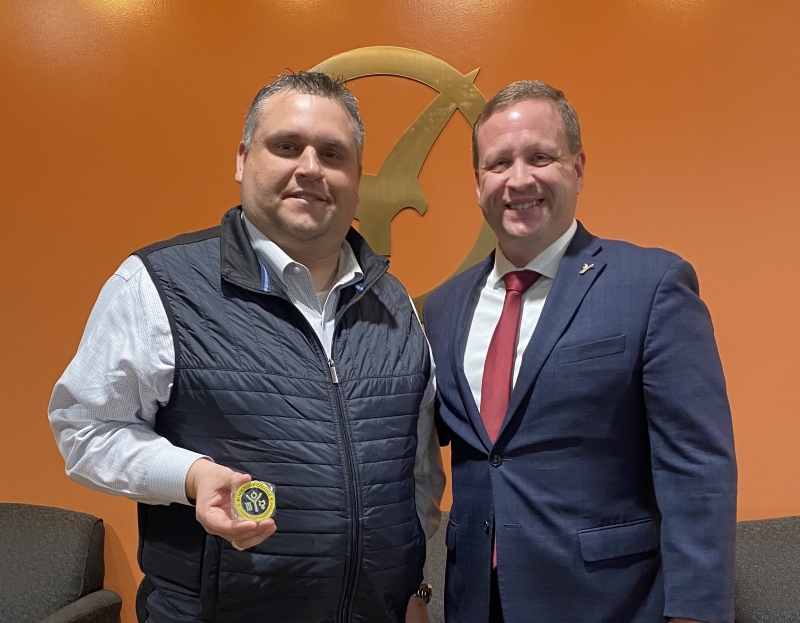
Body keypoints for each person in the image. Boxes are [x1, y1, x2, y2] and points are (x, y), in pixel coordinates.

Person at [49, 71, 445, 623]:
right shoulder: (158, 284)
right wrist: (189, 476)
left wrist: (418, 590)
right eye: (286, 146)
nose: (310, 167)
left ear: (357, 177)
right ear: (242, 159)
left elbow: (416, 475)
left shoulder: (394, 303)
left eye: (333, 154)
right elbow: (85, 429)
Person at [422, 80, 736, 623]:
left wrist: (697, 612)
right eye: (498, 164)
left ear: (578, 168)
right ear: (478, 183)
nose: (519, 179)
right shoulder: (442, 308)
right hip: (475, 602)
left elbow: (697, 467)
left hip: (611, 603)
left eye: (539, 156)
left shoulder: (651, 284)